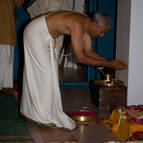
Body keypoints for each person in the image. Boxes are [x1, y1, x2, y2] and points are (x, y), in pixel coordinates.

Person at [20, 11, 127, 130]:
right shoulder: (78, 24)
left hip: (44, 35)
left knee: (49, 76)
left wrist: (109, 63)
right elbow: (81, 57)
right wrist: (108, 64)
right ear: (95, 24)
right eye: (102, 31)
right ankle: (39, 115)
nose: (102, 35)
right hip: (36, 33)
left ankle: (36, 112)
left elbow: (89, 52)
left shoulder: (86, 25)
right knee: (44, 76)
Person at [0, 0, 22, 94]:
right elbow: (18, 3)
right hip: (5, 27)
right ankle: (5, 86)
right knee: (5, 56)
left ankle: (5, 86)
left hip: (5, 24)